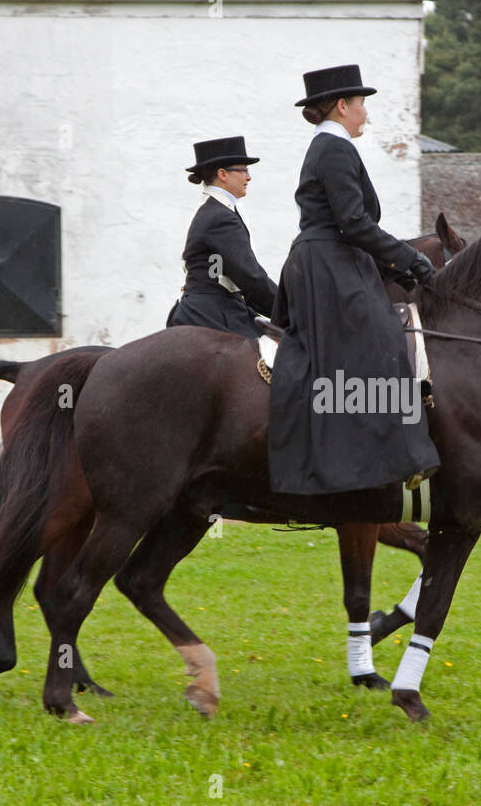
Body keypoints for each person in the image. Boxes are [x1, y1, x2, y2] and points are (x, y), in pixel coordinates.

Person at [267, 64, 440, 495]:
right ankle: (400, 457)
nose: (366, 113)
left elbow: (353, 226)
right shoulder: (334, 148)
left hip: (331, 258)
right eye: (362, 104)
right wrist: (411, 259)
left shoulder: (332, 147)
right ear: (342, 106)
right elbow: (354, 222)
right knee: (384, 336)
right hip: (327, 263)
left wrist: (391, 264)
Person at [165, 136, 277, 339]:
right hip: (212, 313)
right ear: (222, 174)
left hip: (220, 307)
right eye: (243, 170)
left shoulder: (216, 210)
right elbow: (251, 277)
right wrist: (291, 310)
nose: (249, 177)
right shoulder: (220, 216)